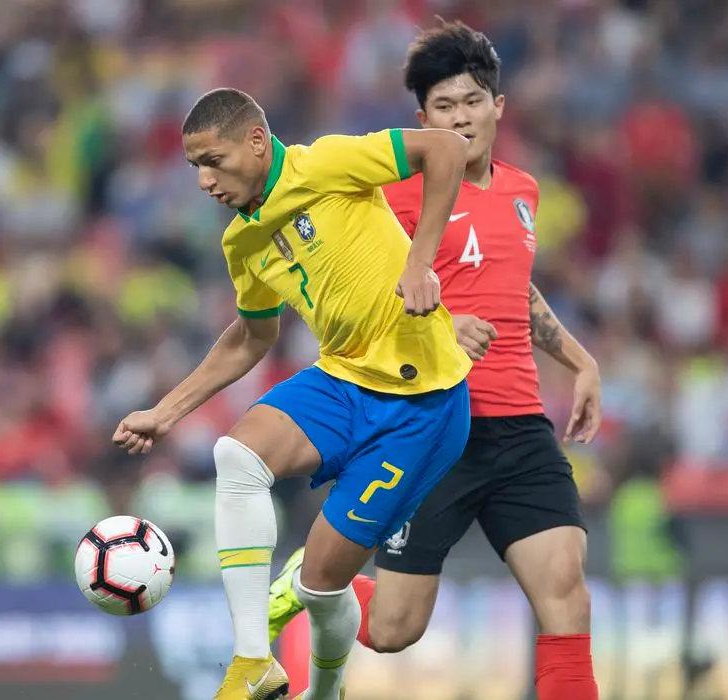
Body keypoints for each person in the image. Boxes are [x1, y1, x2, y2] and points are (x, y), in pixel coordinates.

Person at [265, 21, 602, 700]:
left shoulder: (523, 192)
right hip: (429, 426)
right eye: (443, 108)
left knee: (565, 587)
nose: (460, 118)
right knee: (393, 629)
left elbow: (514, 285)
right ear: (423, 120)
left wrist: (578, 358)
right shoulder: (392, 195)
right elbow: (353, 290)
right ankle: (319, 570)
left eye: (472, 101)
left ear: (498, 107)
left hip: (517, 427)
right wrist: (444, 323)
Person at [112, 87, 473, 700]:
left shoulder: (326, 163)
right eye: (194, 166)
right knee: (237, 456)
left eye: (213, 161)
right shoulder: (242, 242)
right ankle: (253, 659)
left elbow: (445, 148)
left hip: (423, 405)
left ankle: (323, 694)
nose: (203, 180)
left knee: (320, 584)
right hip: (343, 379)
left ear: (256, 141)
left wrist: (419, 260)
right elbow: (251, 338)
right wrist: (165, 412)